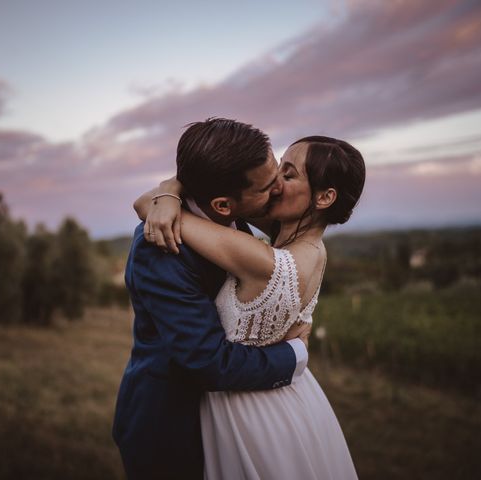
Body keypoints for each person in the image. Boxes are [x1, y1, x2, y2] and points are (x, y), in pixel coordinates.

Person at [139, 133, 365, 479]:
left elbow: (146, 208)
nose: (275, 185)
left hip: (248, 410)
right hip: (290, 398)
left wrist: (170, 194)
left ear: (324, 197)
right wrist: (173, 186)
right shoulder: (300, 241)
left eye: (288, 175)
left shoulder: (267, 262)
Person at [112, 118, 311, 480]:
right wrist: (294, 355)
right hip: (171, 430)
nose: (280, 189)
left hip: (227, 414)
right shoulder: (159, 250)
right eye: (268, 186)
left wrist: (170, 188)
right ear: (222, 205)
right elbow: (206, 360)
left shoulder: (230, 208)